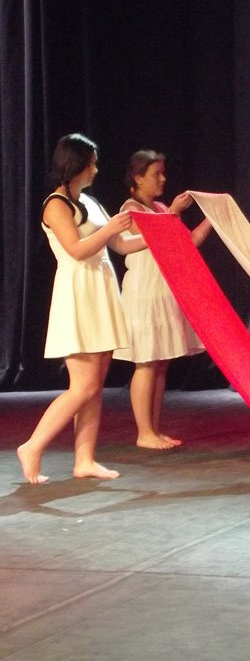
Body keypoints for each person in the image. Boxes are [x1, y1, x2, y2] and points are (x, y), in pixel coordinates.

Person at [17, 133, 146, 484]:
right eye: (91, 163)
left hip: (100, 289)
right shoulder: (56, 204)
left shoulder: (89, 201)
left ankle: (85, 459)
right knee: (83, 386)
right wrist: (111, 229)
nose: (95, 170)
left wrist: (159, 235)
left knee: (95, 385)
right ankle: (32, 446)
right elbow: (75, 249)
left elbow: (120, 244)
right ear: (75, 164)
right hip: (78, 293)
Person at [112, 150, 211, 449]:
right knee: (146, 363)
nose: (163, 179)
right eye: (156, 174)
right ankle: (144, 432)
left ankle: (153, 429)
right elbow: (155, 236)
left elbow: (185, 244)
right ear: (138, 178)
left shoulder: (159, 207)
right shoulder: (130, 209)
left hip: (163, 291)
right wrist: (174, 213)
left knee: (160, 364)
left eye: (163, 173)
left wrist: (212, 219)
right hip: (144, 294)